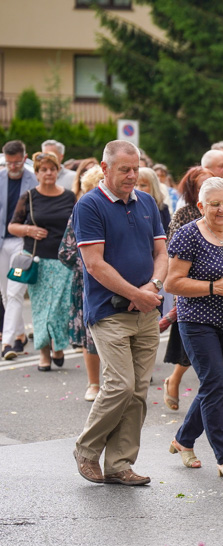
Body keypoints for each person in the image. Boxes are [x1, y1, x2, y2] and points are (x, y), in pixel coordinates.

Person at [73, 140, 167, 486]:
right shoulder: (90, 205)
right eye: (124, 169)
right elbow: (95, 265)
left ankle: (119, 464)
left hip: (145, 308)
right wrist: (135, 294)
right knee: (120, 386)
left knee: (138, 391)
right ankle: (86, 449)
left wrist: (153, 288)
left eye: (136, 168)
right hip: (109, 310)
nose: (132, 175)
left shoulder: (145, 203)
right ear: (104, 167)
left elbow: (161, 251)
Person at [165, 177, 223, 480]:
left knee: (213, 385)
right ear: (201, 206)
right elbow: (172, 283)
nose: (222, 210)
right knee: (216, 382)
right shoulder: (188, 235)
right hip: (197, 321)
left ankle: (183, 440)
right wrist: (211, 287)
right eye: (215, 205)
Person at [7, 151, 75, 371]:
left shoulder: (69, 196)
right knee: (41, 309)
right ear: (36, 173)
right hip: (38, 261)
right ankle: (44, 353)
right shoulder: (28, 196)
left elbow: (77, 225)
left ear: (58, 171)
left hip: (63, 261)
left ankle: (58, 346)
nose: (48, 173)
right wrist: (29, 229)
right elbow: (12, 226)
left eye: (52, 169)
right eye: (43, 169)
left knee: (60, 308)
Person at [162, 167, 216, 410]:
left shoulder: (222, 210)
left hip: (220, 288)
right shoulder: (184, 215)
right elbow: (173, 253)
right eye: (201, 185)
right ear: (192, 189)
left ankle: (215, 395)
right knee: (192, 346)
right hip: (192, 287)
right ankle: (174, 380)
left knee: (219, 349)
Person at [59, 165, 103, 401]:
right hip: (88, 283)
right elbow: (66, 251)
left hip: (124, 280)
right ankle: (93, 383)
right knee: (91, 335)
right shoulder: (82, 210)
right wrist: (92, 266)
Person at [1, 140, 37, 360]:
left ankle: (7, 343)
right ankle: (20, 335)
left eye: (17, 162)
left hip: (22, 243)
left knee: (15, 291)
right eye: (9, 162)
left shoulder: (33, 180)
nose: (13, 166)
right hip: (1, 242)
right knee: (5, 293)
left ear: (25, 158)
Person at [137, 167, 171, 234]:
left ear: (153, 187)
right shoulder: (127, 208)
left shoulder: (163, 208)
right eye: (135, 185)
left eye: (143, 185)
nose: (138, 189)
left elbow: (168, 234)